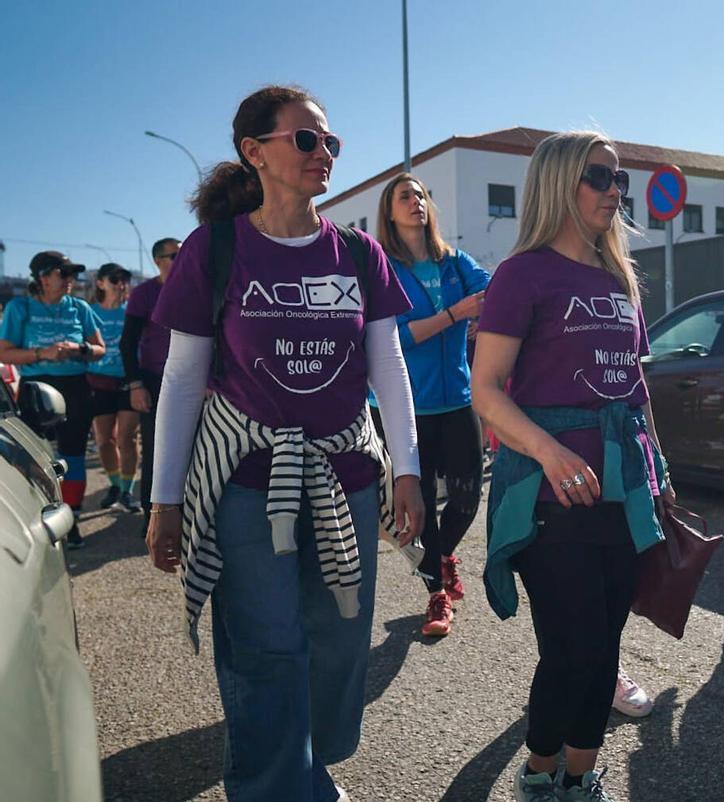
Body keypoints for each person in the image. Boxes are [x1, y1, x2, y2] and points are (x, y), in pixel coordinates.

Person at [144, 85, 423, 802]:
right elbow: (181, 378)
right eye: (306, 140)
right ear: (254, 152)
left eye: (331, 142)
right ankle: (275, 784)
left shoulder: (359, 255)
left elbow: (387, 365)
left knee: (338, 639)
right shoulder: (218, 248)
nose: (323, 153)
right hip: (247, 483)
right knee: (265, 646)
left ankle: (309, 760)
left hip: (348, 476)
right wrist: (164, 500)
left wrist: (408, 472)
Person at [473, 131, 675, 802]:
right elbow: (487, 389)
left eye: (620, 180)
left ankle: (582, 776)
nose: (615, 192)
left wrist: (661, 476)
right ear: (560, 182)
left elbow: (635, 389)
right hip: (547, 495)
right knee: (573, 650)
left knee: (606, 648)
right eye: (599, 177)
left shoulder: (619, 277)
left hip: (623, 487)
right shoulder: (522, 274)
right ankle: (538, 770)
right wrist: (550, 451)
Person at [374, 171, 490, 637]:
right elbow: (397, 337)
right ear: (390, 210)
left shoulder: (455, 262)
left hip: (458, 400)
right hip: (409, 408)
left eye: (420, 194)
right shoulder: (387, 267)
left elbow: (496, 291)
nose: (415, 201)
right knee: (418, 505)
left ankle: (441, 558)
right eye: (405, 196)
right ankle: (437, 596)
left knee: (466, 498)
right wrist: (455, 315)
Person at [0, 251, 106, 548]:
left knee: (73, 454)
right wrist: (41, 354)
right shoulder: (19, 308)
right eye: (63, 273)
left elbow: (100, 349)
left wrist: (78, 348)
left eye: (72, 274)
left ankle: (70, 520)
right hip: (36, 388)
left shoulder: (80, 307)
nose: (70, 279)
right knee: (37, 455)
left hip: (76, 386)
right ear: (43, 278)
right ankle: (37, 516)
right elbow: (3, 352)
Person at [122, 237, 181, 528]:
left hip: (192, 382)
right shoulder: (144, 293)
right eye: (174, 255)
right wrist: (135, 385)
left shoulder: (196, 289)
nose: (180, 259)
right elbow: (127, 343)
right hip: (154, 381)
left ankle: (190, 515)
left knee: (194, 451)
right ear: (158, 261)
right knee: (157, 451)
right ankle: (152, 518)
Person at [89, 262, 140, 512]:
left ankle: (128, 492)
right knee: (104, 440)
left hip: (129, 381)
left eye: (124, 279)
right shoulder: (89, 312)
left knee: (126, 438)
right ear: (100, 283)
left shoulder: (133, 311)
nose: (121, 284)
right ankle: (115, 485)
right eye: (114, 279)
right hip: (98, 382)